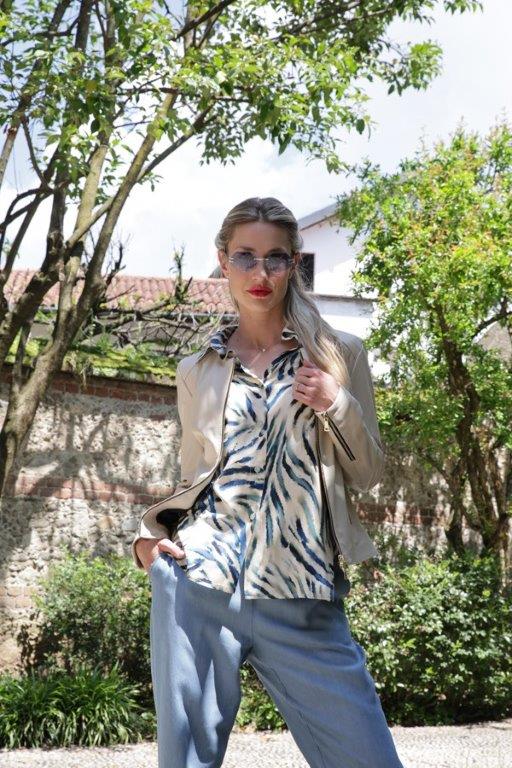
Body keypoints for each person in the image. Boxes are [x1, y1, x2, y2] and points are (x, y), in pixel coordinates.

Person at [132, 197, 405, 768]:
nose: (260, 273)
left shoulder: (338, 354)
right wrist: (148, 539)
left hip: (302, 592)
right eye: (245, 257)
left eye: (275, 258)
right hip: (201, 584)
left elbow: (369, 473)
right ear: (223, 261)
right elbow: (196, 477)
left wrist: (335, 402)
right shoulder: (197, 369)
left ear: (293, 264)